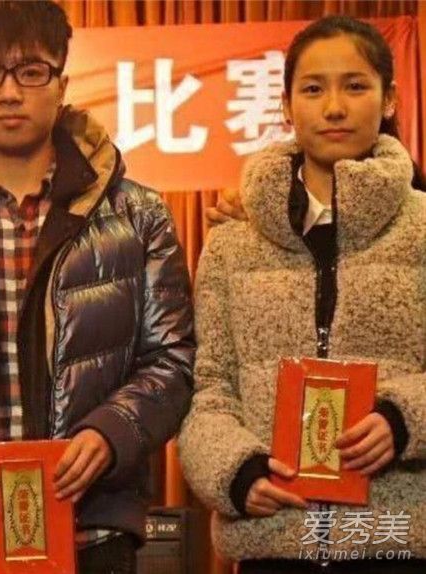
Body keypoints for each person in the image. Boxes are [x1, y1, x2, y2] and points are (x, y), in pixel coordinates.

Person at [0, 2, 194, 573]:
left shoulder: (138, 215)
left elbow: (172, 358)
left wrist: (112, 431)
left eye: (30, 71)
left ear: (62, 85)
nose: (9, 93)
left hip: (91, 520)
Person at [178, 15, 425, 574]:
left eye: (355, 86)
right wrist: (237, 473)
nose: (334, 108)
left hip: (397, 541)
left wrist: (403, 419)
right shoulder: (232, 243)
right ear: (286, 107)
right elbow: (210, 390)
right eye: (313, 89)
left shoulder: (423, 228)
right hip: (275, 542)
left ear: (389, 99)